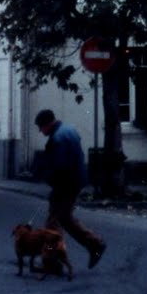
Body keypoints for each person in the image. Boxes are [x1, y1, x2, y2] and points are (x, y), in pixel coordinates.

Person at [34, 109, 106, 270]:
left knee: (54, 222)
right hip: (75, 181)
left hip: (65, 184)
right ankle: (94, 244)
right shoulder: (69, 130)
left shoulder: (57, 139)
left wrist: (53, 184)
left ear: (47, 124)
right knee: (64, 218)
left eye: (41, 127)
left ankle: (52, 261)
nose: (41, 131)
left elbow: (59, 167)